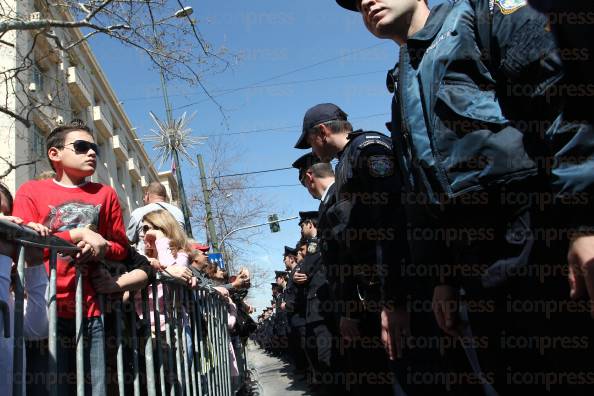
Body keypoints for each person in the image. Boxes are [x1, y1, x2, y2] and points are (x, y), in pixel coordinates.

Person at [335, 1, 594, 394]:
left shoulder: (480, 14)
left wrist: (583, 223)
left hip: (541, 241)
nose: (366, 2)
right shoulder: (403, 84)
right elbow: (419, 195)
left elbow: (562, 99)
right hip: (477, 268)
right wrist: (442, 278)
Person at [12, 119, 129, 396]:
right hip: (43, 309)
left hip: (91, 310)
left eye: (94, 149)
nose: (91, 153)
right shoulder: (31, 191)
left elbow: (121, 247)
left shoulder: (105, 194)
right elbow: (24, 244)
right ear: (55, 154)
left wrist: (101, 248)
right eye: (81, 146)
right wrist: (75, 236)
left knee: (95, 390)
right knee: (49, 389)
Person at [295, 103, 404, 395]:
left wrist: (392, 300)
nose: (313, 151)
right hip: (370, 298)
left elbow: (390, 225)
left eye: (310, 142)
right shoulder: (346, 163)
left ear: (322, 131)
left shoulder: (368, 149)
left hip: (394, 294)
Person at [0, 183, 48, 396]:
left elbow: (37, 329)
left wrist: (35, 262)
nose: (6, 220)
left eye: (5, 212)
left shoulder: (9, 284)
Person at [127, 182, 185, 254]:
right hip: (175, 257)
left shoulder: (138, 212)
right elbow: (182, 238)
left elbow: (129, 240)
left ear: (147, 195)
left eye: (144, 197)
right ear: (165, 196)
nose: (144, 200)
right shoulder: (178, 212)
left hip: (147, 260)